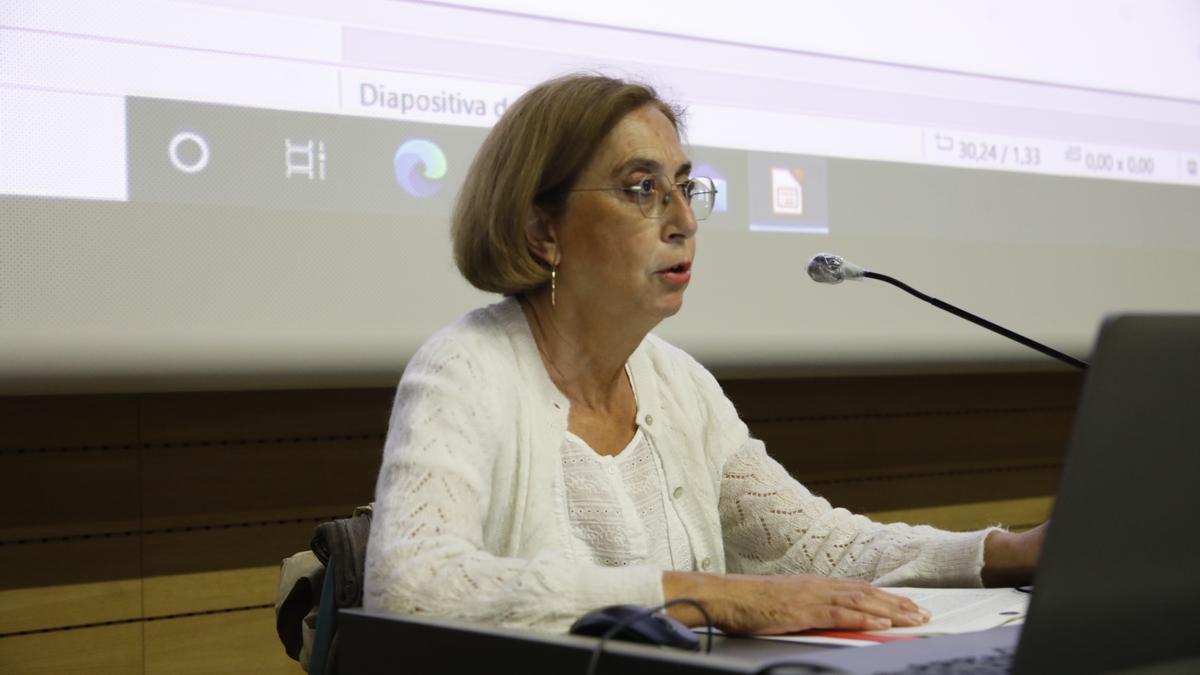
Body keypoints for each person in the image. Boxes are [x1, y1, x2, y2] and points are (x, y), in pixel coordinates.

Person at [362, 74, 1045, 635]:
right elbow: (414, 585)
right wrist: (698, 594)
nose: (684, 219)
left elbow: (809, 544)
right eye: (641, 189)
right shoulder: (463, 369)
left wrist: (1004, 552)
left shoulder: (678, 383)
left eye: (685, 187)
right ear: (544, 230)